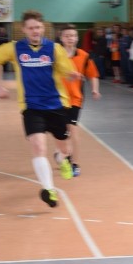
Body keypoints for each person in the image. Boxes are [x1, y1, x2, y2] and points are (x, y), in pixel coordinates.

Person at [0, 10, 81, 207]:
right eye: (31, 27)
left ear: (43, 28)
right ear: (24, 29)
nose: (35, 30)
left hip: (56, 104)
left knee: (63, 147)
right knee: (38, 147)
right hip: (31, 106)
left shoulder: (54, 49)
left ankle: (62, 159)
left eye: (38, 27)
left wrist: (73, 74)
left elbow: (66, 69)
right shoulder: (15, 48)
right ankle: (49, 190)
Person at [52, 24, 101, 178]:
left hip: (75, 99)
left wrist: (95, 89)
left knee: (73, 130)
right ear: (61, 38)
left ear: (77, 38)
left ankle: (74, 163)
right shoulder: (54, 54)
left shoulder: (84, 56)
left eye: (73, 36)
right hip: (57, 99)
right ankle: (62, 153)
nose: (70, 39)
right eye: (67, 36)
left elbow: (93, 75)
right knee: (61, 132)